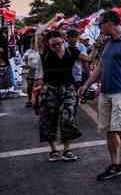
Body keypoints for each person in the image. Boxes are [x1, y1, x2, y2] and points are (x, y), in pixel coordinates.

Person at [80, 10, 121, 182]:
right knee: (109, 130)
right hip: (106, 91)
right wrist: (87, 84)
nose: (99, 27)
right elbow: (101, 67)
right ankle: (115, 164)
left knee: (119, 127)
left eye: (100, 23)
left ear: (110, 22)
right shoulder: (108, 42)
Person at [39, 30, 90, 161]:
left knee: (68, 118)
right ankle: (53, 150)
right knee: (49, 119)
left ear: (63, 41)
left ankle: (67, 150)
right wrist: (55, 19)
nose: (56, 47)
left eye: (58, 44)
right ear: (48, 44)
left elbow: (88, 58)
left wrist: (96, 47)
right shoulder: (45, 51)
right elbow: (38, 33)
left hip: (68, 88)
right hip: (49, 89)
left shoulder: (72, 51)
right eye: (52, 45)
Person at [23, 38, 43, 108]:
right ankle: (29, 100)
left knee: (38, 87)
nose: (35, 44)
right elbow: (25, 61)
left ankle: (37, 101)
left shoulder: (41, 51)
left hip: (40, 70)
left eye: (36, 42)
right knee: (29, 86)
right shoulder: (28, 51)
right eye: (33, 42)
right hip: (30, 70)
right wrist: (25, 72)